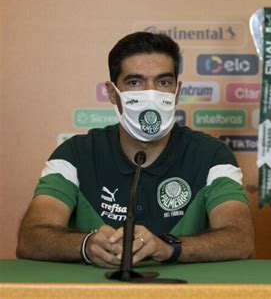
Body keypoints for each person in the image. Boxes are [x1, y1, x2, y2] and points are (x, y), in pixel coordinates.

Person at [16, 32, 255, 267]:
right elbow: (31, 238)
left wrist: (170, 247)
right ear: (112, 93)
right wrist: (85, 245)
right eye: (134, 82)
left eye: (163, 82)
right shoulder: (75, 154)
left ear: (177, 91)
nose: (150, 94)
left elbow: (241, 239)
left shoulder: (212, 155)